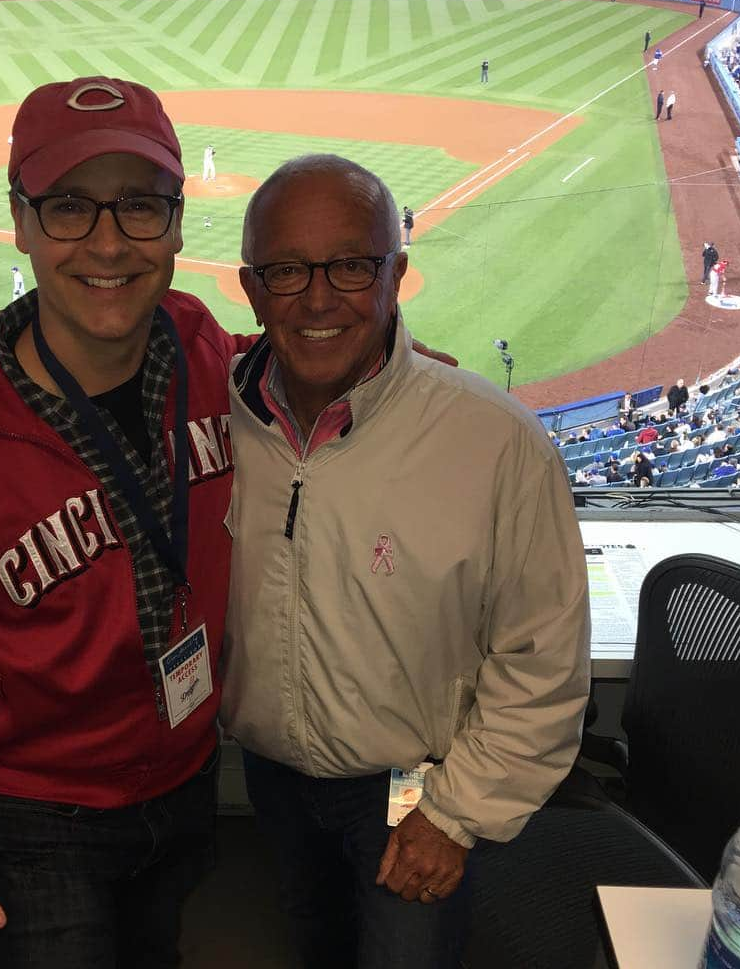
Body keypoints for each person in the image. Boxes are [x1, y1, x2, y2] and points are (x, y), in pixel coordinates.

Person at [0, 77, 247, 967]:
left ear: (179, 223)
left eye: (140, 206)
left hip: (183, 775)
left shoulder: (198, 345)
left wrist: (377, 359)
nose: (108, 242)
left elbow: (278, 375)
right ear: (22, 221)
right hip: (32, 818)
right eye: (70, 206)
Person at [220, 154, 591, 969]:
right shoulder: (211, 427)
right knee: (311, 945)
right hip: (271, 777)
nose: (319, 299)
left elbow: (544, 665)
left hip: (415, 795)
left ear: (397, 276)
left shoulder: (495, 442)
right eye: (287, 271)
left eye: (351, 265)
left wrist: (454, 817)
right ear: (251, 290)